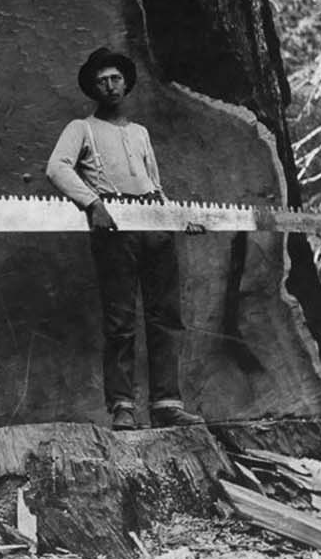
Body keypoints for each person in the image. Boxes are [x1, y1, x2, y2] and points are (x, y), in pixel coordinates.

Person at [45, 47, 204, 432]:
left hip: (155, 224)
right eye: (101, 81)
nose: (110, 86)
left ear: (126, 83)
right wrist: (92, 203)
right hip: (116, 227)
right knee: (120, 320)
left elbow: (155, 185)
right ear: (92, 88)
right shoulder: (80, 129)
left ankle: (166, 404)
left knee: (166, 315)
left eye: (115, 78)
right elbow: (56, 168)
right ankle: (122, 406)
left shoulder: (140, 134)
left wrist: (177, 219)